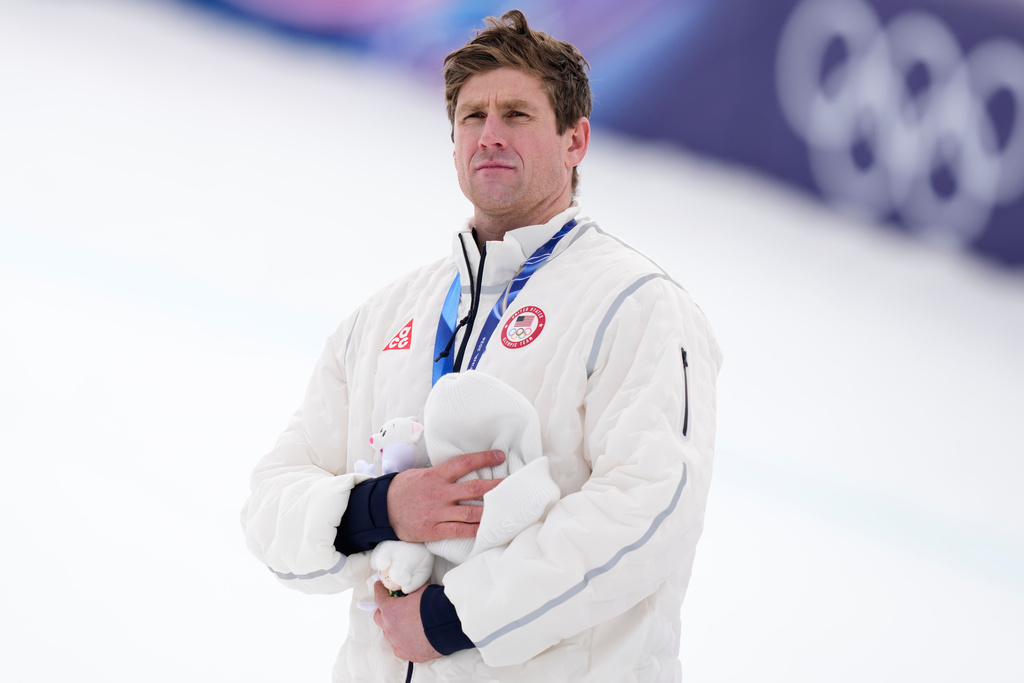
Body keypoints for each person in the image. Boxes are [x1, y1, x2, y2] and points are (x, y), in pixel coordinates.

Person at [241, 9, 722, 682]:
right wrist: (380, 507)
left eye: (518, 115)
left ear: (575, 140)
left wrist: (454, 617)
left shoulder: (636, 306)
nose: (490, 135)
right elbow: (270, 506)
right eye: (473, 117)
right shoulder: (381, 320)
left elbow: (646, 513)